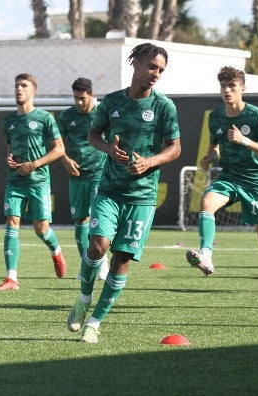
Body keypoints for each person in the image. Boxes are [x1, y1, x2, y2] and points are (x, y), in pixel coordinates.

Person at [66, 43, 181, 343]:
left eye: (161, 70)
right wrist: (108, 149)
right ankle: (83, 299)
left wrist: (151, 161)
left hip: (142, 198)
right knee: (98, 245)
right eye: (152, 66)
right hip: (110, 190)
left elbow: (175, 147)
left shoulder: (164, 107)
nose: (156, 73)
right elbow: (94, 134)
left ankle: (95, 322)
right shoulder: (112, 102)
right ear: (136, 63)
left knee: (121, 260)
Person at [185, 66, 258, 311]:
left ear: (242, 89)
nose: (226, 91)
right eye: (223, 87)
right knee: (206, 201)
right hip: (229, 177)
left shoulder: (257, 115)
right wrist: (210, 158)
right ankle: (206, 255)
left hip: (256, 181)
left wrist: (245, 140)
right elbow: (214, 147)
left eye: (232, 86)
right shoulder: (215, 116)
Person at [0, 73, 68, 290]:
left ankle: (56, 251)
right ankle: (12, 278)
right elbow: (11, 149)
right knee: (11, 223)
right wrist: (9, 159)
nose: (19, 89)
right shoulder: (8, 121)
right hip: (15, 181)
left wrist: (34, 164)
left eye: (24, 86)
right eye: (16, 85)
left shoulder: (45, 118)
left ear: (33, 91)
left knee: (41, 229)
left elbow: (59, 149)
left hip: (38, 181)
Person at [57, 77, 109, 281]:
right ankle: (87, 267)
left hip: (99, 174)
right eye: (75, 98)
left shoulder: (102, 114)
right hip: (77, 177)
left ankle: (102, 263)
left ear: (92, 96)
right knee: (80, 222)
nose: (78, 102)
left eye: (82, 98)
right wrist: (65, 160)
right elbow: (57, 144)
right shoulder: (67, 116)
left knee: (98, 219)